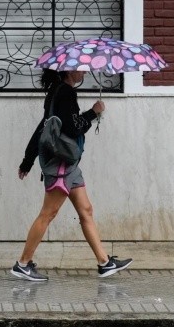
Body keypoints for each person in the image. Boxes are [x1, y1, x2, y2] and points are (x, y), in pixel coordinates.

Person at [12, 68, 132, 281]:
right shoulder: (65, 93)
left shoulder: (56, 91)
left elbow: (43, 127)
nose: (84, 72)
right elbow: (73, 128)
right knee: (47, 214)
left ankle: (104, 263)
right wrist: (93, 112)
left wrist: (28, 160)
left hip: (70, 165)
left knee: (86, 210)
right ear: (69, 70)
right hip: (61, 164)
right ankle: (22, 264)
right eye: (81, 69)